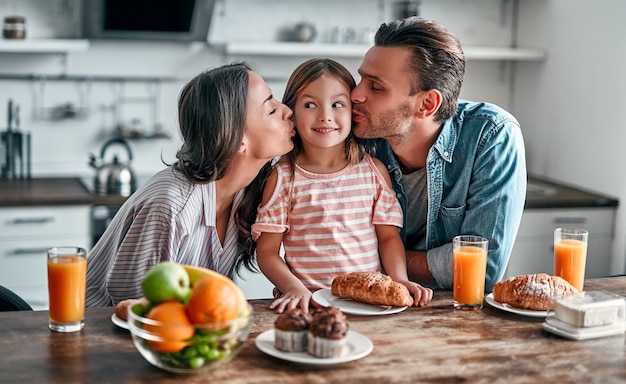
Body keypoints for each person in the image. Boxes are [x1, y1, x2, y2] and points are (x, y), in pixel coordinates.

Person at [85, 62, 295, 307]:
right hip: (97, 333)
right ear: (237, 138)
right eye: (271, 109)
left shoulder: (249, 192)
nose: (287, 111)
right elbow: (135, 309)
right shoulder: (171, 207)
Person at [351, 17, 527, 291]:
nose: (355, 94)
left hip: (455, 312)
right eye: (360, 78)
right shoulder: (357, 133)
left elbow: (481, 270)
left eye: (376, 87)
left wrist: (378, 256)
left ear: (427, 104)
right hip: (368, 301)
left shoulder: (491, 134)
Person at [252, 58, 433, 313]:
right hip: (310, 306)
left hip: (368, 304)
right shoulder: (283, 177)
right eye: (310, 104)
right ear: (292, 111)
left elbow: (389, 237)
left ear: (353, 111)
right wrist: (293, 287)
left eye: (337, 104)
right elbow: (267, 251)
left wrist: (400, 280)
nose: (325, 116)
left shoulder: (374, 171)